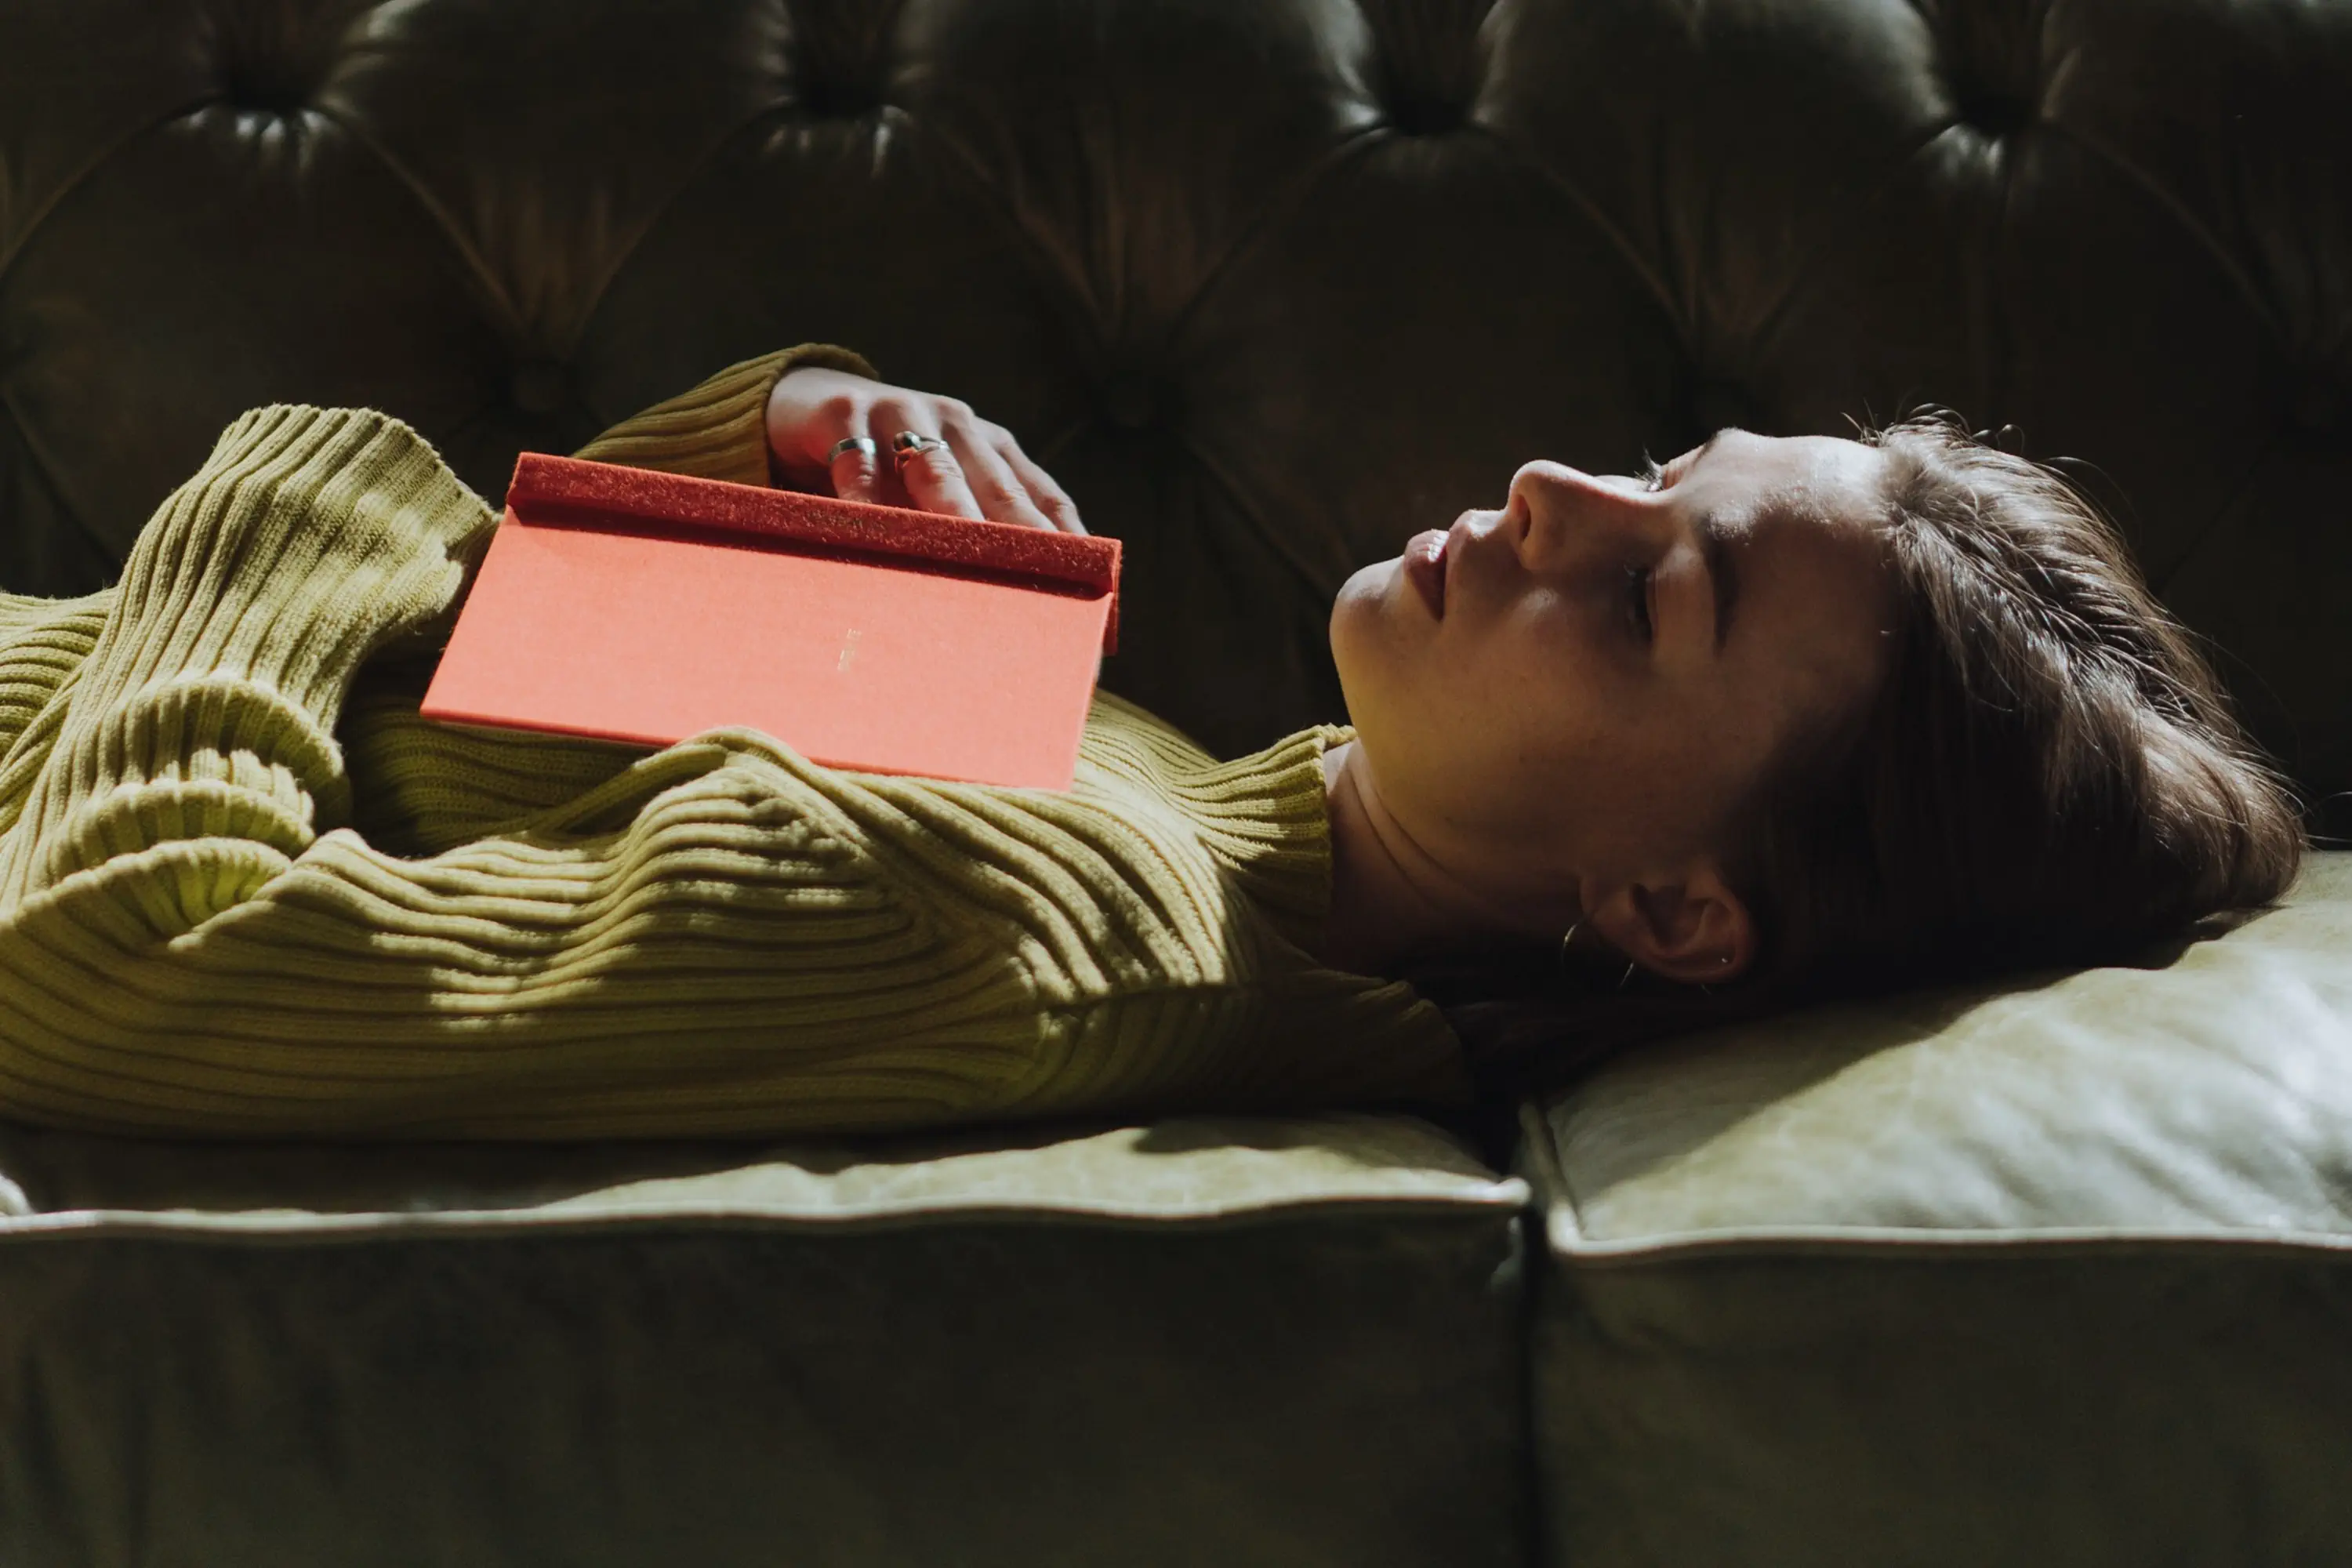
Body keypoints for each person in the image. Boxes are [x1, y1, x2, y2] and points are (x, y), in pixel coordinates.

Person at [0, 347, 2304, 1138]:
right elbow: (456, 711)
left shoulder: (1049, 919)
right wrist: (767, 443)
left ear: (1677, 908)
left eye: (1643, 597)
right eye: (1655, 469)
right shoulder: (1152, 791)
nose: (1549, 499)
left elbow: (120, 955)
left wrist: (308, 483)